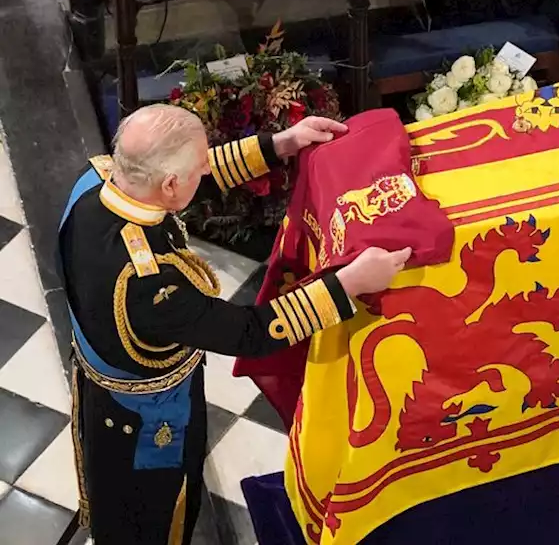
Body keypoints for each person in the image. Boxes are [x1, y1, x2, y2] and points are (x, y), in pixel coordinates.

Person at [58, 104, 412, 545]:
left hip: (103, 390)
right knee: (153, 519)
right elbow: (250, 331)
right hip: (147, 425)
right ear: (169, 184)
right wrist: (346, 285)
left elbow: (185, 182)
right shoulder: (148, 284)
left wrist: (278, 144)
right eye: (192, 171)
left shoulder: (99, 180)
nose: (203, 171)